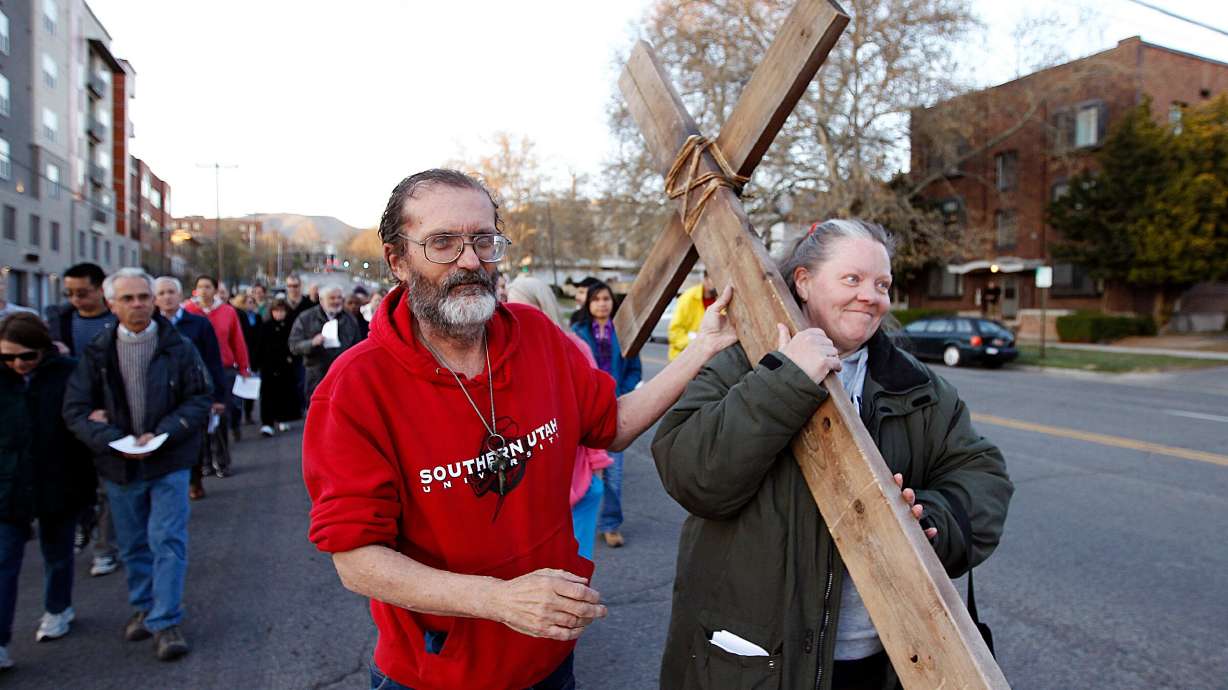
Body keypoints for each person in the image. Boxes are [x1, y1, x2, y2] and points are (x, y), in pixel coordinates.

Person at [301, 168, 736, 690]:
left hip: (549, 661)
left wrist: (702, 348)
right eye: (442, 242)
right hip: (435, 676)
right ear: (398, 260)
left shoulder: (535, 336)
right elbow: (357, 560)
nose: (470, 260)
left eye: (483, 240)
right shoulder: (354, 387)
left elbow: (612, 425)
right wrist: (499, 600)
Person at [652, 219, 1014, 690]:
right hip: (762, 664)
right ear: (803, 281)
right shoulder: (739, 364)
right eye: (853, 279)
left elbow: (983, 475)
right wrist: (785, 381)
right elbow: (690, 474)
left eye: (882, 284)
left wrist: (934, 521)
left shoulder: (918, 386)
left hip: (885, 660)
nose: (871, 295)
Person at [62, 268, 212, 662]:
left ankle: (165, 621)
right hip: (119, 466)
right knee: (132, 544)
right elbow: (75, 410)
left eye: (143, 297)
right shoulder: (97, 352)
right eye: (128, 299)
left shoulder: (177, 346)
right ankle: (144, 606)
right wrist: (112, 438)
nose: (138, 304)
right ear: (112, 304)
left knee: (168, 540)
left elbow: (199, 399)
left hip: (169, 460)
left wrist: (162, 431)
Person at [0, 314, 96, 669]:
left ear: (42, 349)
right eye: (6, 358)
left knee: (56, 552)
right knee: (4, 561)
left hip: (58, 477)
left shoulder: (69, 372)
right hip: (8, 484)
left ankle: (57, 608)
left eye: (25, 356)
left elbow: (85, 421)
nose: (16, 365)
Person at [507, 275, 612, 560]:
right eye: (507, 303)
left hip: (576, 483)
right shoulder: (503, 354)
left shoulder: (574, 348)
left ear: (540, 306)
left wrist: (596, 472)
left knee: (575, 575)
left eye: (520, 305)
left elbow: (595, 412)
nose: (509, 311)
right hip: (528, 490)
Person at [44, 262, 120, 578]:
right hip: (69, 414)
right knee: (72, 482)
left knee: (108, 485)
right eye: (70, 293)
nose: (76, 300)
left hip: (109, 413)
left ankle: (105, 548)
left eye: (83, 293)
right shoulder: (59, 320)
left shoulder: (117, 319)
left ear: (101, 289)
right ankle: (81, 526)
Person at [571, 280, 641, 549]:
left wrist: (621, 392)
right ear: (588, 303)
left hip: (614, 411)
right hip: (584, 413)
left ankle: (610, 524)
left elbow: (634, 369)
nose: (602, 303)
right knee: (582, 473)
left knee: (614, 473)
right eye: (597, 299)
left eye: (607, 299)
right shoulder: (577, 333)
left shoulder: (622, 333)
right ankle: (574, 520)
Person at [154, 277, 227, 501]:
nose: (167, 297)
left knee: (193, 438)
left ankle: (195, 479)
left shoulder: (198, 324)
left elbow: (213, 360)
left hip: (192, 392)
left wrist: (218, 396)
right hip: (159, 393)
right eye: (162, 293)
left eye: (171, 292)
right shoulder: (150, 325)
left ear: (180, 295)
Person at [184, 275, 250, 451]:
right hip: (195, 370)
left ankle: (222, 457)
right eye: (200, 287)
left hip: (223, 368)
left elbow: (237, 341)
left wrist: (244, 367)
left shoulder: (227, 312)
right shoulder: (188, 311)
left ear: (215, 290)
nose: (203, 291)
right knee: (200, 416)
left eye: (207, 287)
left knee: (223, 413)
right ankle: (204, 458)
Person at [288, 284, 361, 402]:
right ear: (321, 300)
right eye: (332, 298)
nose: (336, 301)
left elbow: (358, 346)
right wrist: (312, 343)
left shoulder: (350, 319)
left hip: (342, 377)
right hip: (316, 376)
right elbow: (294, 345)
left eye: (339, 298)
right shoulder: (306, 318)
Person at [253, 299, 301, 437]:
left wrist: (292, 359)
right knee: (267, 395)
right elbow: (259, 346)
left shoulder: (290, 326)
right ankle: (267, 423)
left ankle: (282, 418)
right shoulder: (265, 327)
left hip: (285, 366)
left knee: (284, 393)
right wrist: (255, 364)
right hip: (268, 366)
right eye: (276, 311)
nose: (279, 314)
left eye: (281, 311)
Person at [667, 269, 717, 361]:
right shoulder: (688, 297)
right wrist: (696, 342)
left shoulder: (721, 299)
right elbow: (674, 332)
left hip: (709, 358)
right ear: (705, 279)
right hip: (683, 358)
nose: (716, 282)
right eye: (713, 278)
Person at [231, 293, 263, 426]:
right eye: (248, 302)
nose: (250, 305)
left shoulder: (257, 317)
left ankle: (248, 413)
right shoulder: (238, 316)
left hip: (254, 355)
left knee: (251, 386)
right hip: (241, 354)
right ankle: (237, 417)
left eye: (252, 302)